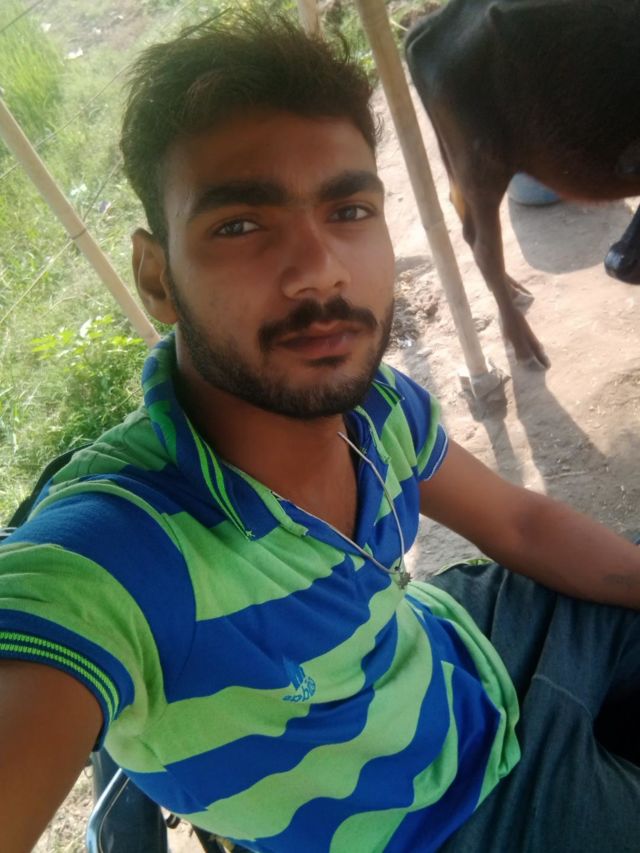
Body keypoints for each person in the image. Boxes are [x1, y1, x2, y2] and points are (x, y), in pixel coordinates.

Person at [0, 12, 639, 853]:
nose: (319, 270)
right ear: (158, 279)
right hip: (449, 825)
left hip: (462, 654)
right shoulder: (114, 557)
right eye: (240, 224)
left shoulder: (374, 410)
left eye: (348, 209)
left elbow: (519, 523)